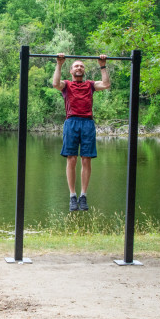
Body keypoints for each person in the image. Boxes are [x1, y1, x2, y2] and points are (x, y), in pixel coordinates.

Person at [52, 53, 111, 211]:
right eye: (76, 66)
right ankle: (72, 196)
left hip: (87, 123)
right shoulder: (67, 85)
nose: (79, 68)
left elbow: (106, 84)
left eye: (82, 66)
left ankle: (83, 195)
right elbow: (55, 83)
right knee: (71, 159)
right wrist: (59, 63)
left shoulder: (90, 85)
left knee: (86, 160)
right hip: (71, 122)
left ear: (84, 71)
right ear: (71, 71)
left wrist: (102, 65)